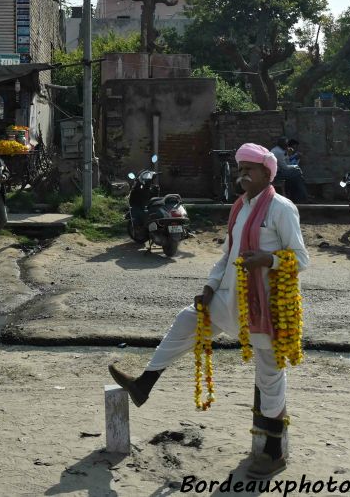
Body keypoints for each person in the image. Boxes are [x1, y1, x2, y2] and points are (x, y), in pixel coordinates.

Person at [107, 143, 309, 479]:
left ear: (266, 173)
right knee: (188, 318)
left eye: (250, 169)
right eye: (240, 168)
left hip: (266, 307)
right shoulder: (240, 208)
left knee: (269, 375)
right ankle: (144, 383)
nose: (242, 174)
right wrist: (209, 287)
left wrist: (269, 260)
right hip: (229, 299)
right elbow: (227, 256)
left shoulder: (282, 209)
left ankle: (272, 454)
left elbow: (301, 260)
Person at [271, 137, 307, 203]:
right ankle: (302, 198)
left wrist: (292, 157)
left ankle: (298, 197)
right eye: (286, 144)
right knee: (297, 174)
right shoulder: (279, 152)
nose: (287, 145)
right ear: (282, 144)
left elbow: (287, 162)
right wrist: (296, 166)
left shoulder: (279, 150)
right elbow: (285, 167)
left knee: (296, 177)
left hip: (279, 171)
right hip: (276, 174)